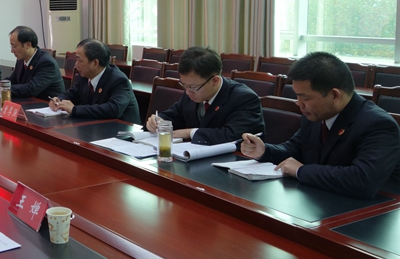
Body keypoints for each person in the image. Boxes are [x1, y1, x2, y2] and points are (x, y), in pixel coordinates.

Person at [241, 52, 400, 198]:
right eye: (297, 96)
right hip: (324, 199)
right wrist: (264, 151)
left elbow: (363, 180)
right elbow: (294, 149)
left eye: (305, 98)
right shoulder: (316, 115)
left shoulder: (378, 125)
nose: (299, 104)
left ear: (335, 95)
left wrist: (301, 171)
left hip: (371, 210)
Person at [146, 46, 264, 144]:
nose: (187, 92)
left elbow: (233, 135)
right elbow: (174, 115)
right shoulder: (192, 91)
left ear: (215, 80)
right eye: (184, 85)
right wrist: (159, 121)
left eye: (192, 87)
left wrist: (190, 132)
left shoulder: (244, 98)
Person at [49, 39, 141, 124]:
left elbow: (113, 109)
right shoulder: (84, 76)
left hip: (122, 130)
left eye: (79, 60)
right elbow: (72, 93)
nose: (76, 64)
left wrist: (74, 109)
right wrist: (58, 100)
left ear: (95, 63)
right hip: (96, 126)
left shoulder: (119, 80)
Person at [0, 26, 64, 100]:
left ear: (28, 45)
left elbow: (31, 89)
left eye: (14, 46)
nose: (12, 51)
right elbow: (13, 80)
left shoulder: (46, 63)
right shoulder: (21, 60)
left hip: (46, 105)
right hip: (29, 102)